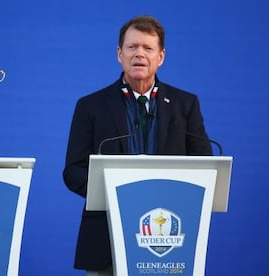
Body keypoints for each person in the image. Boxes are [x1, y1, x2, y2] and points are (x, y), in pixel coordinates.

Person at [62, 15, 213, 275]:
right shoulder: (91, 106)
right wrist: (115, 195)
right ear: (119, 54)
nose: (139, 54)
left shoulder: (185, 105)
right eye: (132, 47)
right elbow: (73, 171)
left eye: (147, 48)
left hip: (169, 235)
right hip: (106, 237)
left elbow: (205, 167)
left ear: (161, 57)